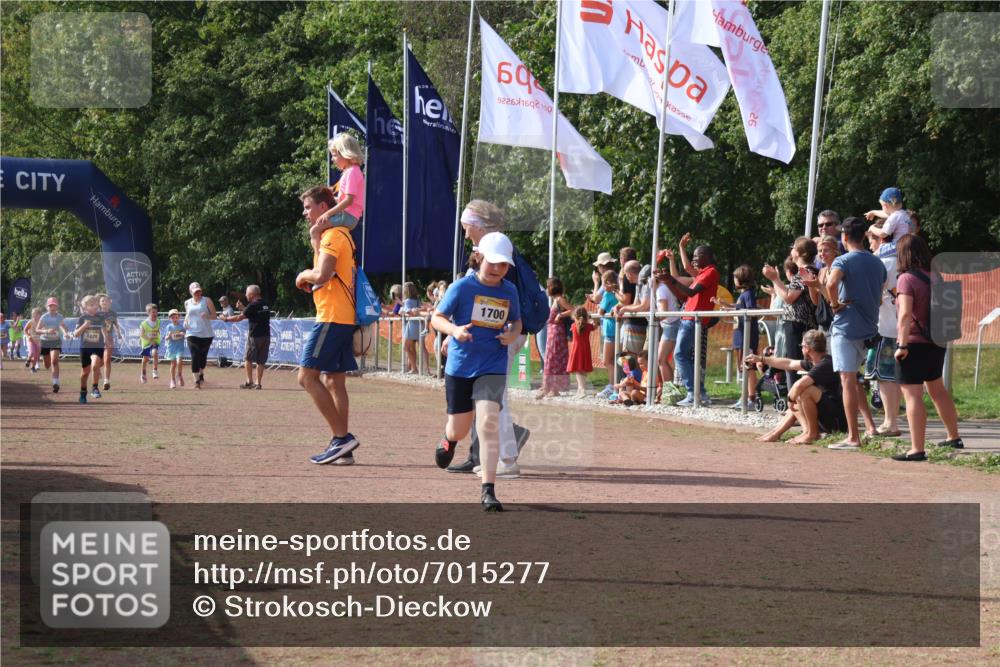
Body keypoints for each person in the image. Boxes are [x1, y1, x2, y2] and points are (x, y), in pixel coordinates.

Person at [431, 232, 522, 511]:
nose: (497, 269)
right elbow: (437, 317)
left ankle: (488, 490)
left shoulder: (510, 291)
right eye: (492, 262)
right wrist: (455, 330)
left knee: (487, 424)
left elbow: (517, 322)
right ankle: (449, 441)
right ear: (479, 257)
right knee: (458, 428)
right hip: (460, 367)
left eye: (503, 264)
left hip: (492, 365)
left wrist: (512, 336)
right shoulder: (461, 287)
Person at [447, 200, 533, 477]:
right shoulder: (489, 253)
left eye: (466, 226)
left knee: (495, 402)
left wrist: (513, 331)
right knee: (485, 401)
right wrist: (455, 330)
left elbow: (505, 302)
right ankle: (483, 452)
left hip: (503, 336)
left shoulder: (500, 254)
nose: (465, 233)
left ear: (478, 225)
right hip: (489, 335)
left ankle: (506, 459)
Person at [296, 185, 360, 465]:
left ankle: (342, 438)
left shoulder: (334, 235)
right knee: (334, 381)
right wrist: (314, 236)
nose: (305, 212)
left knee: (306, 378)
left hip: (332, 317)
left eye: (309, 207)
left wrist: (303, 275)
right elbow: (325, 265)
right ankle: (342, 448)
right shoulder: (338, 235)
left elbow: (323, 273)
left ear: (324, 207)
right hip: (342, 316)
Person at [892, 234, 964, 461]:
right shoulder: (936, 276)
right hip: (937, 341)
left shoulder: (905, 279)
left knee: (912, 394)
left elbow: (905, 314)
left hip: (913, 342)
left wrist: (901, 345)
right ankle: (953, 436)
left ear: (903, 254)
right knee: (937, 390)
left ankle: (916, 448)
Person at [824, 217, 887, 450]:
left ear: (844, 237)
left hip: (846, 327)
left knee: (847, 381)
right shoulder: (877, 263)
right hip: (868, 329)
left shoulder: (843, 260)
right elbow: (879, 298)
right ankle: (864, 429)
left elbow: (831, 284)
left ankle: (853, 436)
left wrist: (834, 304)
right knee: (854, 379)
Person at [752, 329, 847, 444]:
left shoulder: (826, 363)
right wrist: (761, 359)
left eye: (802, 346)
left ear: (807, 348)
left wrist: (790, 399)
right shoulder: (815, 362)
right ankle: (775, 434)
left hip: (836, 422)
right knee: (798, 395)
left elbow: (799, 385)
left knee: (804, 391)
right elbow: (788, 363)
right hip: (825, 415)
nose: (801, 349)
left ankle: (812, 434)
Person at [657, 238, 720, 406]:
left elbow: (691, 292)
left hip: (694, 320)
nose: (695, 258)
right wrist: (668, 280)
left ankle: (693, 393)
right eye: (694, 255)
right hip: (688, 319)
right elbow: (684, 296)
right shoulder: (701, 274)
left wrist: (670, 280)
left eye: (698, 256)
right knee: (689, 358)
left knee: (679, 354)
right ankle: (700, 393)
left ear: (707, 256)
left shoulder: (711, 272)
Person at [763, 238, 819, 394]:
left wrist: (775, 278)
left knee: (794, 364)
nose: (791, 250)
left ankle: (795, 403)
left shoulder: (803, 272)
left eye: (794, 248)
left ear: (802, 253)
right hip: (803, 324)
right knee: (801, 364)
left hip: (797, 324)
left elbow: (788, 297)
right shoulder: (810, 270)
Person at [864, 227, 902, 436]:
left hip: (884, 326)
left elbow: (875, 296)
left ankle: (890, 422)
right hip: (902, 328)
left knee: (884, 376)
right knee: (895, 377)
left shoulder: (882, 263)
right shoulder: (906, 261)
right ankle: (892, 420)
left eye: (872, 240)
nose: (871, 246)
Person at [717, 265, 759, 409]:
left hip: (746, 337)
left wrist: (731, 308)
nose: (734, 280)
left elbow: (751, 311)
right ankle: (745, 396)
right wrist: (727, 306)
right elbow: (740, 307)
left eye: (735, 278)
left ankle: (751, 398)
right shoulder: (743, 295)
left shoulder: (748, 294)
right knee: (743, 368)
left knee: (748, 367)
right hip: (740, 336)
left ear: (741, 279)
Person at [221, 285, 272, 389]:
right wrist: (243, 308)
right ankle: (258, 383)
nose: (245, 295)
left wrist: (226, 319)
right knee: (261, 361)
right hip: (266, 335)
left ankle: (249, 381)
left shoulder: (253, 305)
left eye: (247, 293)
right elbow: (254, 314)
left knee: (248, 359)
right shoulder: (265, 304)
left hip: (255, 336)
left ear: (252, 294)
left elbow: (240, 317)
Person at [316, 133, 366, 231]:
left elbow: (348, 200)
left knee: (315, 230)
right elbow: (344, 199)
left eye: (334, 155)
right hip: (347, 214)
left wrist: (328, 213)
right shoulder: (350, 171)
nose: (332, 159)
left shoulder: (352, 172)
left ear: (345, 154)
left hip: (348, 216)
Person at [537, 277, 572, 399]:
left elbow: (573, 310)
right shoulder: (555, 300)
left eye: (548, 286)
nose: (546, 289)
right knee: (550, 359)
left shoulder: (560, 299)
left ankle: (554, 388)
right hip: (552, 333)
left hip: (557, 334)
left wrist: (561, 315)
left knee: (555, 359)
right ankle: (548, 386)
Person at [72, 295, 107, 403]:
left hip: (97, 347)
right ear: (85, 307)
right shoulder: (82, 318)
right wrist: (85, 326)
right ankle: (83, 393)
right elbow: (76, 334)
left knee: (96, 364)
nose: (95, 306)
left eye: (96, 304)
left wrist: (106, 339)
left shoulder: (100, 318)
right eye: (91, 305)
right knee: (84, 374)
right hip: (85, 348)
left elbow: (104, 330)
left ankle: (95, 388)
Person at [184, 282, 218, 389]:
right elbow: (188, 315)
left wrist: (207, 315)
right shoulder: (187, 303)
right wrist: (185, 322)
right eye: (195, 292)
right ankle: (196, 381)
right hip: (192, 333)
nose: (198, 293)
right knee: (195, 355)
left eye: (199, 291)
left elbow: (214, 316)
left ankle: (201, 373)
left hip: (206, 334)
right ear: (191, 292)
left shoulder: (207, 300)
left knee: (202, 358)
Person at [654, 254, 681, 387]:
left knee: (661, 359)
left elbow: (664, 313)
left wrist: (651, 318)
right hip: (672, 324)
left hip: (671, 324)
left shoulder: (661, 290)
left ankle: (668, 390)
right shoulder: (664, 287)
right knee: (665, 359)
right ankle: (670, 388)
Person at [865, 187, 913, 258]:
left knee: (879, 251)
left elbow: (883, 234)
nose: (882, 208)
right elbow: (886, 214)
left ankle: (870, 259)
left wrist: (872, 228)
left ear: (886, 206)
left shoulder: (894, 217)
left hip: (898, 246)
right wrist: (873, 212)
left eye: (882, 206)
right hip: (910, 244)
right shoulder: (904, 214)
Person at [595, 270, 620, 399]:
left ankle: (612, 385)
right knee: (614, 360)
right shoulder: (618, 294)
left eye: (604, 284)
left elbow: (600, 311)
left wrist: (599, 307)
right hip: (617, 329)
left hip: (610, 331)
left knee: (607, 360)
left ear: (609, 284)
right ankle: (615, 384)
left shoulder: (608, 295)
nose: (603, 287)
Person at [37, 297, 70, 392]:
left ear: (57, 306)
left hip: (56, 341)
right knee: (47, 365)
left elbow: (63, 327)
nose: (52, 307)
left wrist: (65, 333)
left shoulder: (60, 317)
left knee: (54, 361)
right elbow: (37, 330)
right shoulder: (44, 317)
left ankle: (55, 382)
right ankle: (47, 364)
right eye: (50, 305)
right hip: (45, 341)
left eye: (54, 305)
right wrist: (47, 331)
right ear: (47, 307)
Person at [400, 282, 429, 375]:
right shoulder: (418, 300)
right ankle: (427, 369)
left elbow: (410, 312)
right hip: (420, 325)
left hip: (412, 325)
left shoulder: (408, 301)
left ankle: (414, 368)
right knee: (422, 347)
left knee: (406, 347)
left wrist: (403, 311)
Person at [567, 307, 595, 398]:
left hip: (576, 349)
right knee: (582, 369)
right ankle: (580, 389)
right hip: (585, 349)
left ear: (575, 316)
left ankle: (582, 389)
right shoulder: (588, 326)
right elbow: (595, 326)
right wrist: (591, 318)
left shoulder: (573, 325)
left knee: (578, 370)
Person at [97, 294, 122, 391]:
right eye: (102, 301)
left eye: (105, 300)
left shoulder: (113, 313)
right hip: (98, 339)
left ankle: (106, 381)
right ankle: (96, 367)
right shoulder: (97, 314)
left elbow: (116, 324)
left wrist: (119, 333)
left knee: (107, 359)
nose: (104, 302)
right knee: (100, 360)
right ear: (99, 303)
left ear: (109, 302)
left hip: (109, 337)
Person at [163, 309, 186, 389]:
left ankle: (179, 375)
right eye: (172, 318)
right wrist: (168, 336)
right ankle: (172, 380)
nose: (174, 319)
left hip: (179, 348)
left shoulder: (181, 327)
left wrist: (183, 334)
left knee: (179, 361)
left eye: (176, 317)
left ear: (178, 317)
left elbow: (185, 335)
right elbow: (165, 338)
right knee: (173, 364)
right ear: (170, 319)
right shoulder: (169, 327)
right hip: (171, 348)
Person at [138, 303, 161, 383]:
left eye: (156, 312)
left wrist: (157, 336)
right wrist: (149, 339)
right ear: (148, 313)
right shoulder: (144, 323)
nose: (155, 314)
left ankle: (155, 371)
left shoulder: (158, 321)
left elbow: (157, 330)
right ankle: (143, 374)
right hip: (146, 343)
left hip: (155, 342)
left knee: (155, 353)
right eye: (153, 312)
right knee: (146, 359)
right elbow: (141, 334)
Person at [24, 307, 42, 372]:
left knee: (37, 356)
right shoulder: (31, 322)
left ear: (40, 315)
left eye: (36, 314)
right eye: (33, 314)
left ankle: (32, 367)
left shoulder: (42, 322)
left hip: (38, 341)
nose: (34, 315)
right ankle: (28, 360)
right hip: (31, 340)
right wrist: (28, 336)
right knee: (32, 353)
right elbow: (25, 330)